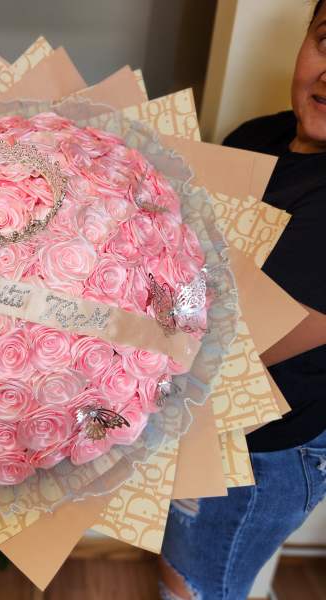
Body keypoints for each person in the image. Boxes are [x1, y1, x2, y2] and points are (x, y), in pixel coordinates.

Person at [159, 1, 326, 598]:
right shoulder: (257, 136)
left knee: (196, 583)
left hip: (261, 454)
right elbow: (182, 246)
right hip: (204, 416)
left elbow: (224, 353)